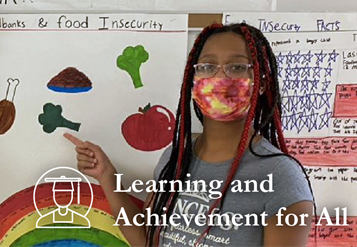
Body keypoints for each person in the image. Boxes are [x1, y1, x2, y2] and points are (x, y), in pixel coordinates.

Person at [67, 23, 314, 247]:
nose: (220, 77)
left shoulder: (281, 177)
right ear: (193, 81)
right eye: (207, 67)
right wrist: (107, 177)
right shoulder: (174, 157)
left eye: (237, 67)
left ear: (260, 82)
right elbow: (146, 240)